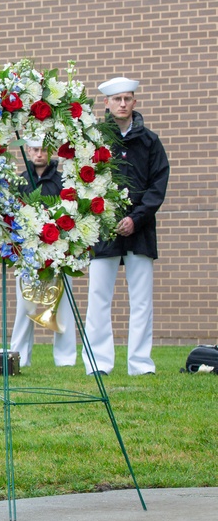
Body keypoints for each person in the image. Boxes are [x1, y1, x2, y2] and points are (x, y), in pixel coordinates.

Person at [84, 77, 169, 376]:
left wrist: (137, 218)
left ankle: (140, 364)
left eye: (128, 98)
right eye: (117, 99)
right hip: (103, 228)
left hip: (141, 229)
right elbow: (84, 182)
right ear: (105, 103)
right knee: (98, 298)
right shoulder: (93, 139)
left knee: (142, 300)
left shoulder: (150, 141)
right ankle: (98, 363)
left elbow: (158, 185)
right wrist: (105, 216)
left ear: (134, 102)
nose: (123, 103)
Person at [9, 141, 77, 367]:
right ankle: (19, 356)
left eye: (44, 149)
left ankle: (66, 359)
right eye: (35, 149)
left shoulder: (62, 181)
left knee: (63, 304)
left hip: (57, 251)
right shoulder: (19, 181)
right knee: (25, 305)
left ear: (51, 151)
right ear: (28, 151)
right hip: (27, 253)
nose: (39, 154)